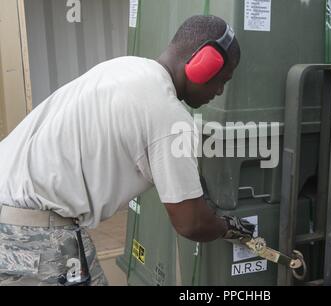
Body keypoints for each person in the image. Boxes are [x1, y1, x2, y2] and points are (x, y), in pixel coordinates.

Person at [0, 15, 255, 286]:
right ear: (202, 64)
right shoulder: (168, 115)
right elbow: (191, 223)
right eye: (222, 80)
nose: (219, 91)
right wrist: (230, 228)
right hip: (35, 234)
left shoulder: (123, 67)